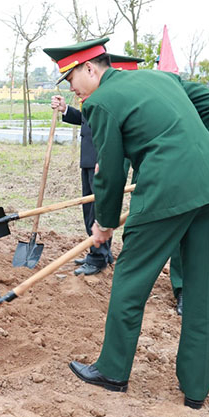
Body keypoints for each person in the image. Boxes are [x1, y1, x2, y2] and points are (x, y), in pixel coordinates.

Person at [54, 43, 209, 409]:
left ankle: (112, 371)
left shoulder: (100, 102)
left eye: (71, 77)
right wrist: (191, 152)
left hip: (165, 192)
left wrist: (104, 225)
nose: (70, 88)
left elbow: (108, 172)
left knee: (130, 277)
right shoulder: (160, 78)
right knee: (202, 285)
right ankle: (196, 388)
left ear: (91, 69)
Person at [47, 47, 142, 276]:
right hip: (89, 156)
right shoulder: (94, 99)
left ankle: (98, 256)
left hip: (103, 157)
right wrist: (66, 109)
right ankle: (100, 252)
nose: (72, 87)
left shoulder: (107, 98)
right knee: (89, 208)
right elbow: (86, 120)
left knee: (100, 207)